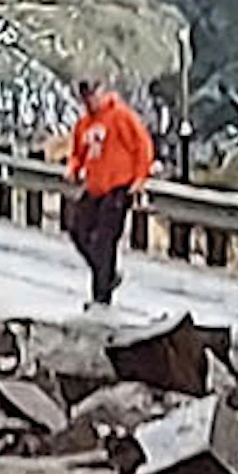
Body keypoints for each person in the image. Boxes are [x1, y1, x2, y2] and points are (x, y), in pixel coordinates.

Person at [62, 77, 155, 308]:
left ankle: (101, 297)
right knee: (78, 229)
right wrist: (73, 168)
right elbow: (78, 153)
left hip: (118, 187)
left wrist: (140, 178)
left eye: (93, 95)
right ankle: (107, 275)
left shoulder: (121, 116)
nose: (90, 101)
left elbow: (142, 145)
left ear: (102, 92)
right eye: (86, 97)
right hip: (95, 187)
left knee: (105, 241)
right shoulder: (84, 124)